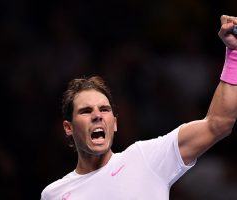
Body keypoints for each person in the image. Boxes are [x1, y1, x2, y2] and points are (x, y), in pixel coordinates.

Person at [41, 15, 237, 199]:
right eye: (86, 111)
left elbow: (218, 123)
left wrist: (234, 54)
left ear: (115, 123)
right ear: (68, 128)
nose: (97, 116)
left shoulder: (146, 158)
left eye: (104, 109)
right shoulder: (55, 193)